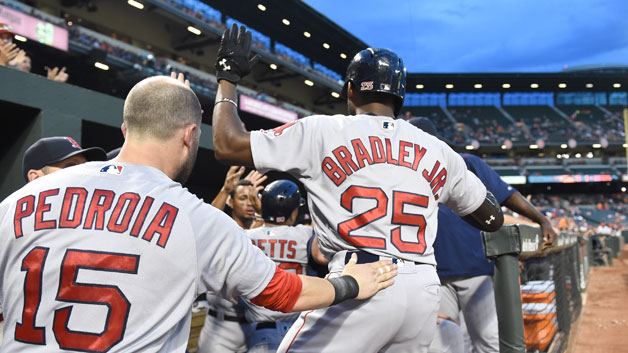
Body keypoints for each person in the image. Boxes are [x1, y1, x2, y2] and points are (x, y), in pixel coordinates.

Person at [0, 74, 397, 352]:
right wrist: (350, 284)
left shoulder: (24, 199)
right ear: (191, 136)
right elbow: (281, 293)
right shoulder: (192, 216)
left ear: (125, 129)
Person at [211, 24, 503, 353]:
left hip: (360, 280)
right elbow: (491, 217)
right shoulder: (437, 149)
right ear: (399, 97)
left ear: (350, 91)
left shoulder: (323, 130)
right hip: (422, 286)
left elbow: (225, 145)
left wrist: (228, 78)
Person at [409, 117, 557, 353]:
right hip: (432, 274)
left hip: (475, 270)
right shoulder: (403, 172)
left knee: (488, 340)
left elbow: (505, 194)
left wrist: (541, 219)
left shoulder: (465, 163)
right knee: (445, 343)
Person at [242, 179, 320, 353]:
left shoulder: (245, 236)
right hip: (299, 327)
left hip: (261, 330)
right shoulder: (305, 233)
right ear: (292, 211)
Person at [197, 168, 267, 353]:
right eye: (242, 198)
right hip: (220, 328)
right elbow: (205, 220)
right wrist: (226, 189)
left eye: (253, 198)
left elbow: (254, 237)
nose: (249, 203)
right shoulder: (220, 228)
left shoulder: (262, 231)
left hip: (255, 326)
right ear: (230, 201)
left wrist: (260, 211)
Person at [22, 136, 107, 182]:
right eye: (70, 166)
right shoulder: (11, 210)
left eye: (86, 167)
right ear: (36, 178)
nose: (83, 172)